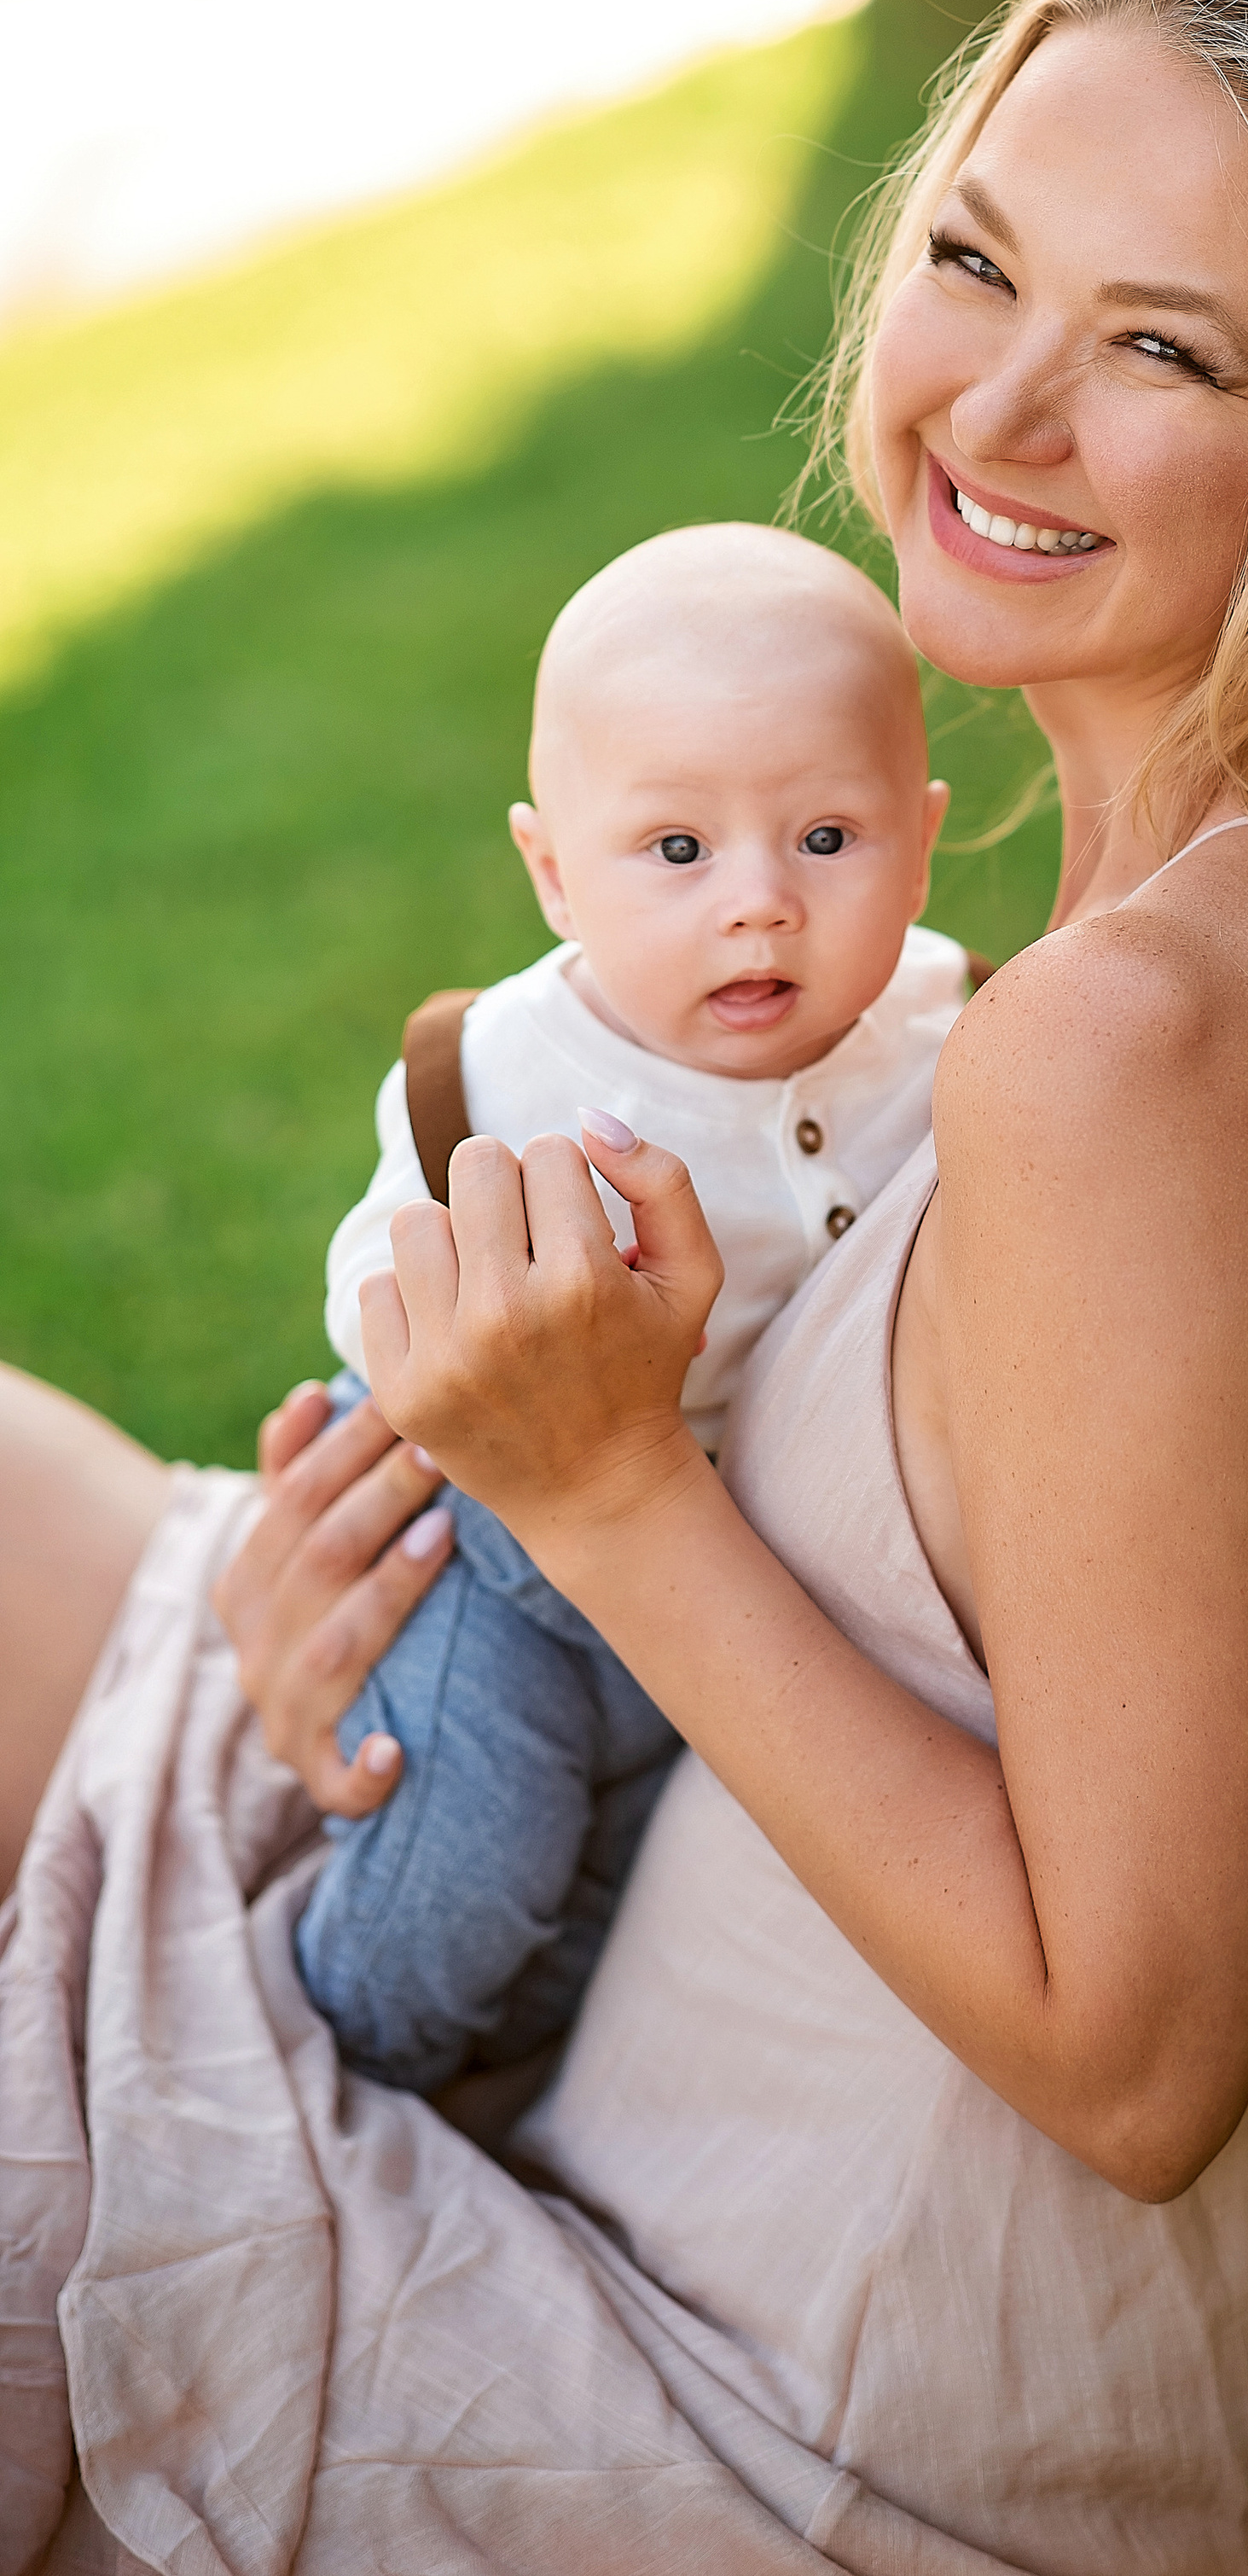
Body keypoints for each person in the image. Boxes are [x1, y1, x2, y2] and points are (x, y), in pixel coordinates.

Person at [0, 0, 1248, 2576]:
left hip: (835, 2365)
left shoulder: (1133, 1054)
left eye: (1164, 346)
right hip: (1135, 2283)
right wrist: (461, 1564)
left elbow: (1135, 2053)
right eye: (973, 259)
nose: (993, 403)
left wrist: (610, 1502)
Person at [299, 520, 966, 2094]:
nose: (758, 905)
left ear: (921, 837)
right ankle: (361, 2048)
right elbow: (372, 1301)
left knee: (645, 1893)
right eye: (676, 852)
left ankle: (546, 2076)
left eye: (825, 838)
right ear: (551, 870)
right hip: (498, 1561)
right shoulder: (508, 1080)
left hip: (739, 1596)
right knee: (480, 1841)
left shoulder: (959, 1033)